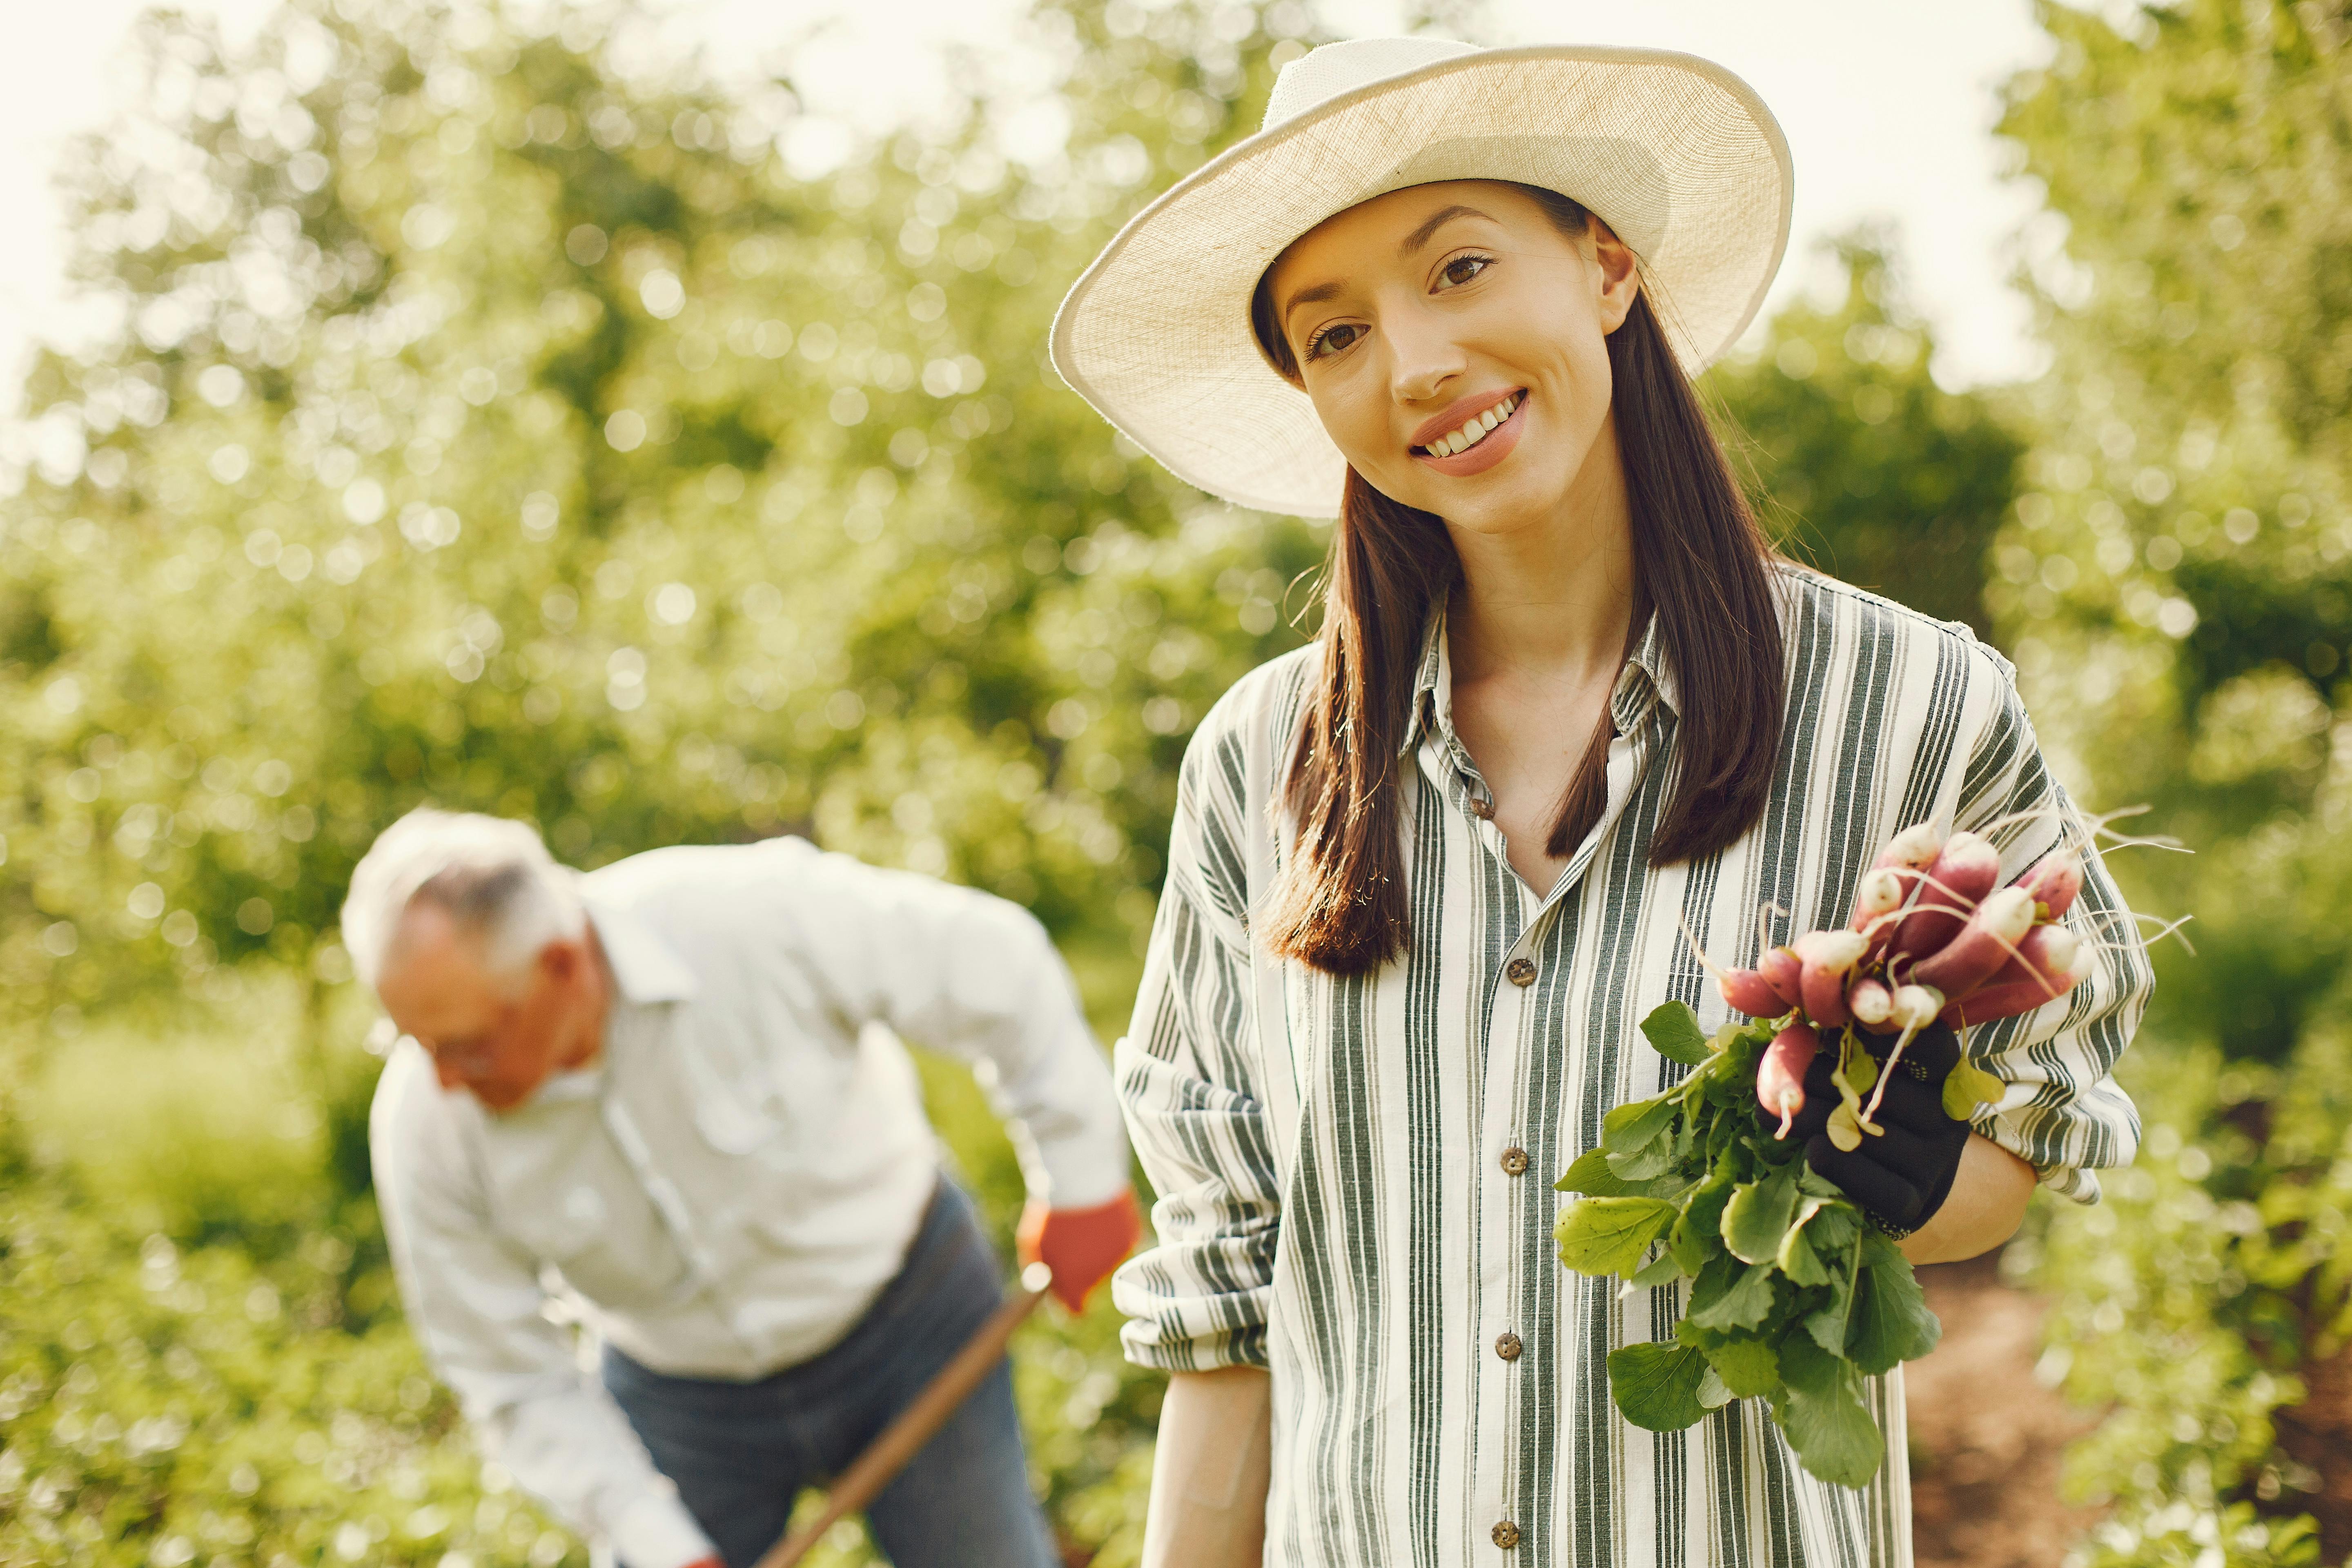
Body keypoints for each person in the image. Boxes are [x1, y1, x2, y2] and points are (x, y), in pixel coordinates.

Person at [1051, 37, 2151, 1568]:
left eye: (1461, 267)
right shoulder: (1260, 773)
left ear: (1610, 267)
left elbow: (2019, 1155)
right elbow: (1230, 1319)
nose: (1415, 361)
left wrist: (1896, 1167)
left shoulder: (1911, 705)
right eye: (1335, 335)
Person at [342, 809, 1142, 1568]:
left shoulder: (748, 918)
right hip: (677, 1395)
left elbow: (995, 964)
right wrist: (653, 1541)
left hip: (912, 1322)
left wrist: (1082, 1180)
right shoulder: (425, 1121)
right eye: (412, 1042)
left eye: (469, 1045)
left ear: (560, 965)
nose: (443, 1078)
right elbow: (503, 1369)